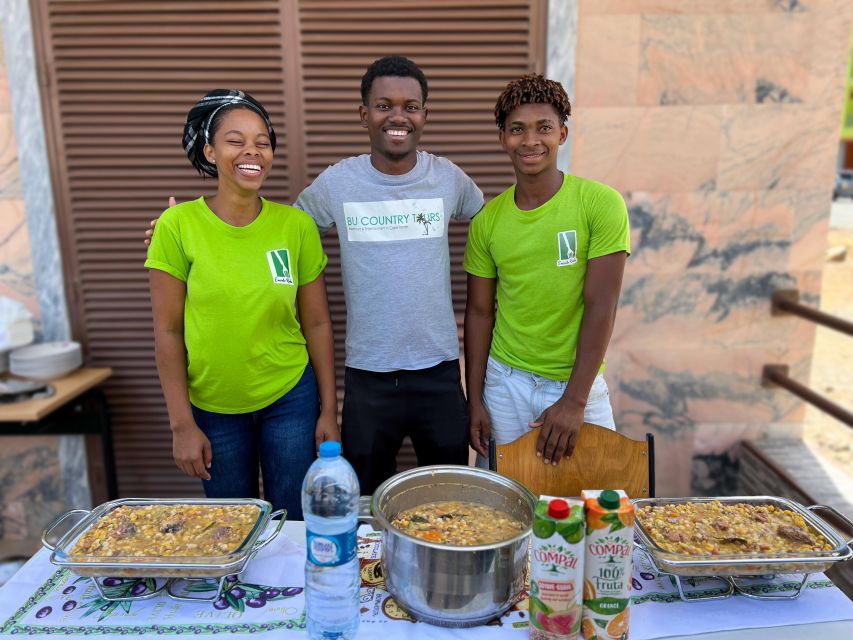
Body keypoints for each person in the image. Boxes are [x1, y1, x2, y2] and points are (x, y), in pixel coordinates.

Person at [293, 55, 484, 493]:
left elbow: (500, 228)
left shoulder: (448, 179)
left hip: (438, 373)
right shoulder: (337, 184)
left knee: (450, 500)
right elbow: (279, 232)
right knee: (366, 507)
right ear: (364, 114)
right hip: (368, 378)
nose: (398, 116)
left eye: (410, 106)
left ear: (424, 115)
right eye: (384, 105)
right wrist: (195, 228)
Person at [145, 90, 339, 520]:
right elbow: (168, 331)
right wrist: (181, 425)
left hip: (290, 397)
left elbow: (318, 323)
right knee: (231, 525)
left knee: (292, 521)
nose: (252, 151)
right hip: (212, 407)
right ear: (210, 151)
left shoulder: (296, 226)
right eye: (235, 141)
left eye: (262, 141)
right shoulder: (177, 227)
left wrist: (329, 410)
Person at [464, 74, 630, 467]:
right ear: (503, 137)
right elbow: (480, 313)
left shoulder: (600, 204)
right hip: (505, 384)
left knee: (598, 505)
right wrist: (476, 401)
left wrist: (574, 401)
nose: (531, 141)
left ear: (563, 133)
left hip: (577, 384)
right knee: (507, 507)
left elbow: (601, 305)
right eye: (517, 130)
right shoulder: (487, 222)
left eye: (544, 128)